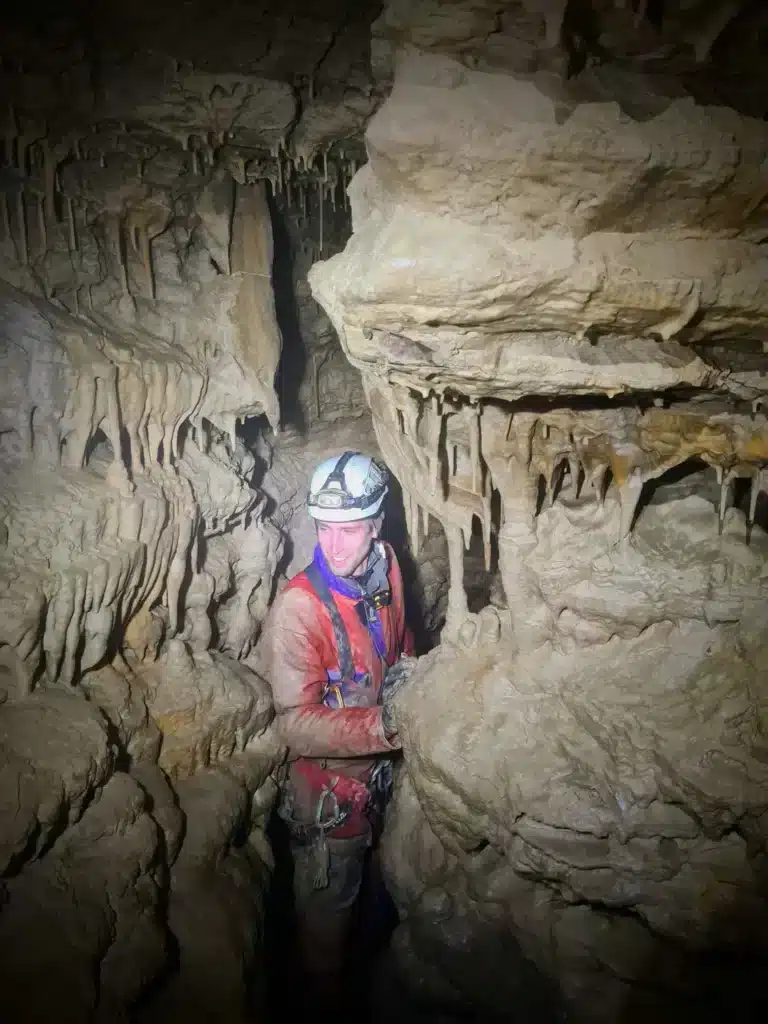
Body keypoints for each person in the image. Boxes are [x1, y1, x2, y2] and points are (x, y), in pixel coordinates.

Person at [264, 451, 414, 1008]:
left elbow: (401, 642)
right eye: (324, 527)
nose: (333, 544)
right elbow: (295, 726)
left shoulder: (388, 564)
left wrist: (412, 683)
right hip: (330, 800)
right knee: (326, 936)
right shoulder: (299, 609)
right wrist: (388, 725)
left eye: (349, 529)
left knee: (381, 902)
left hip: (382, 781)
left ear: (376, 526)